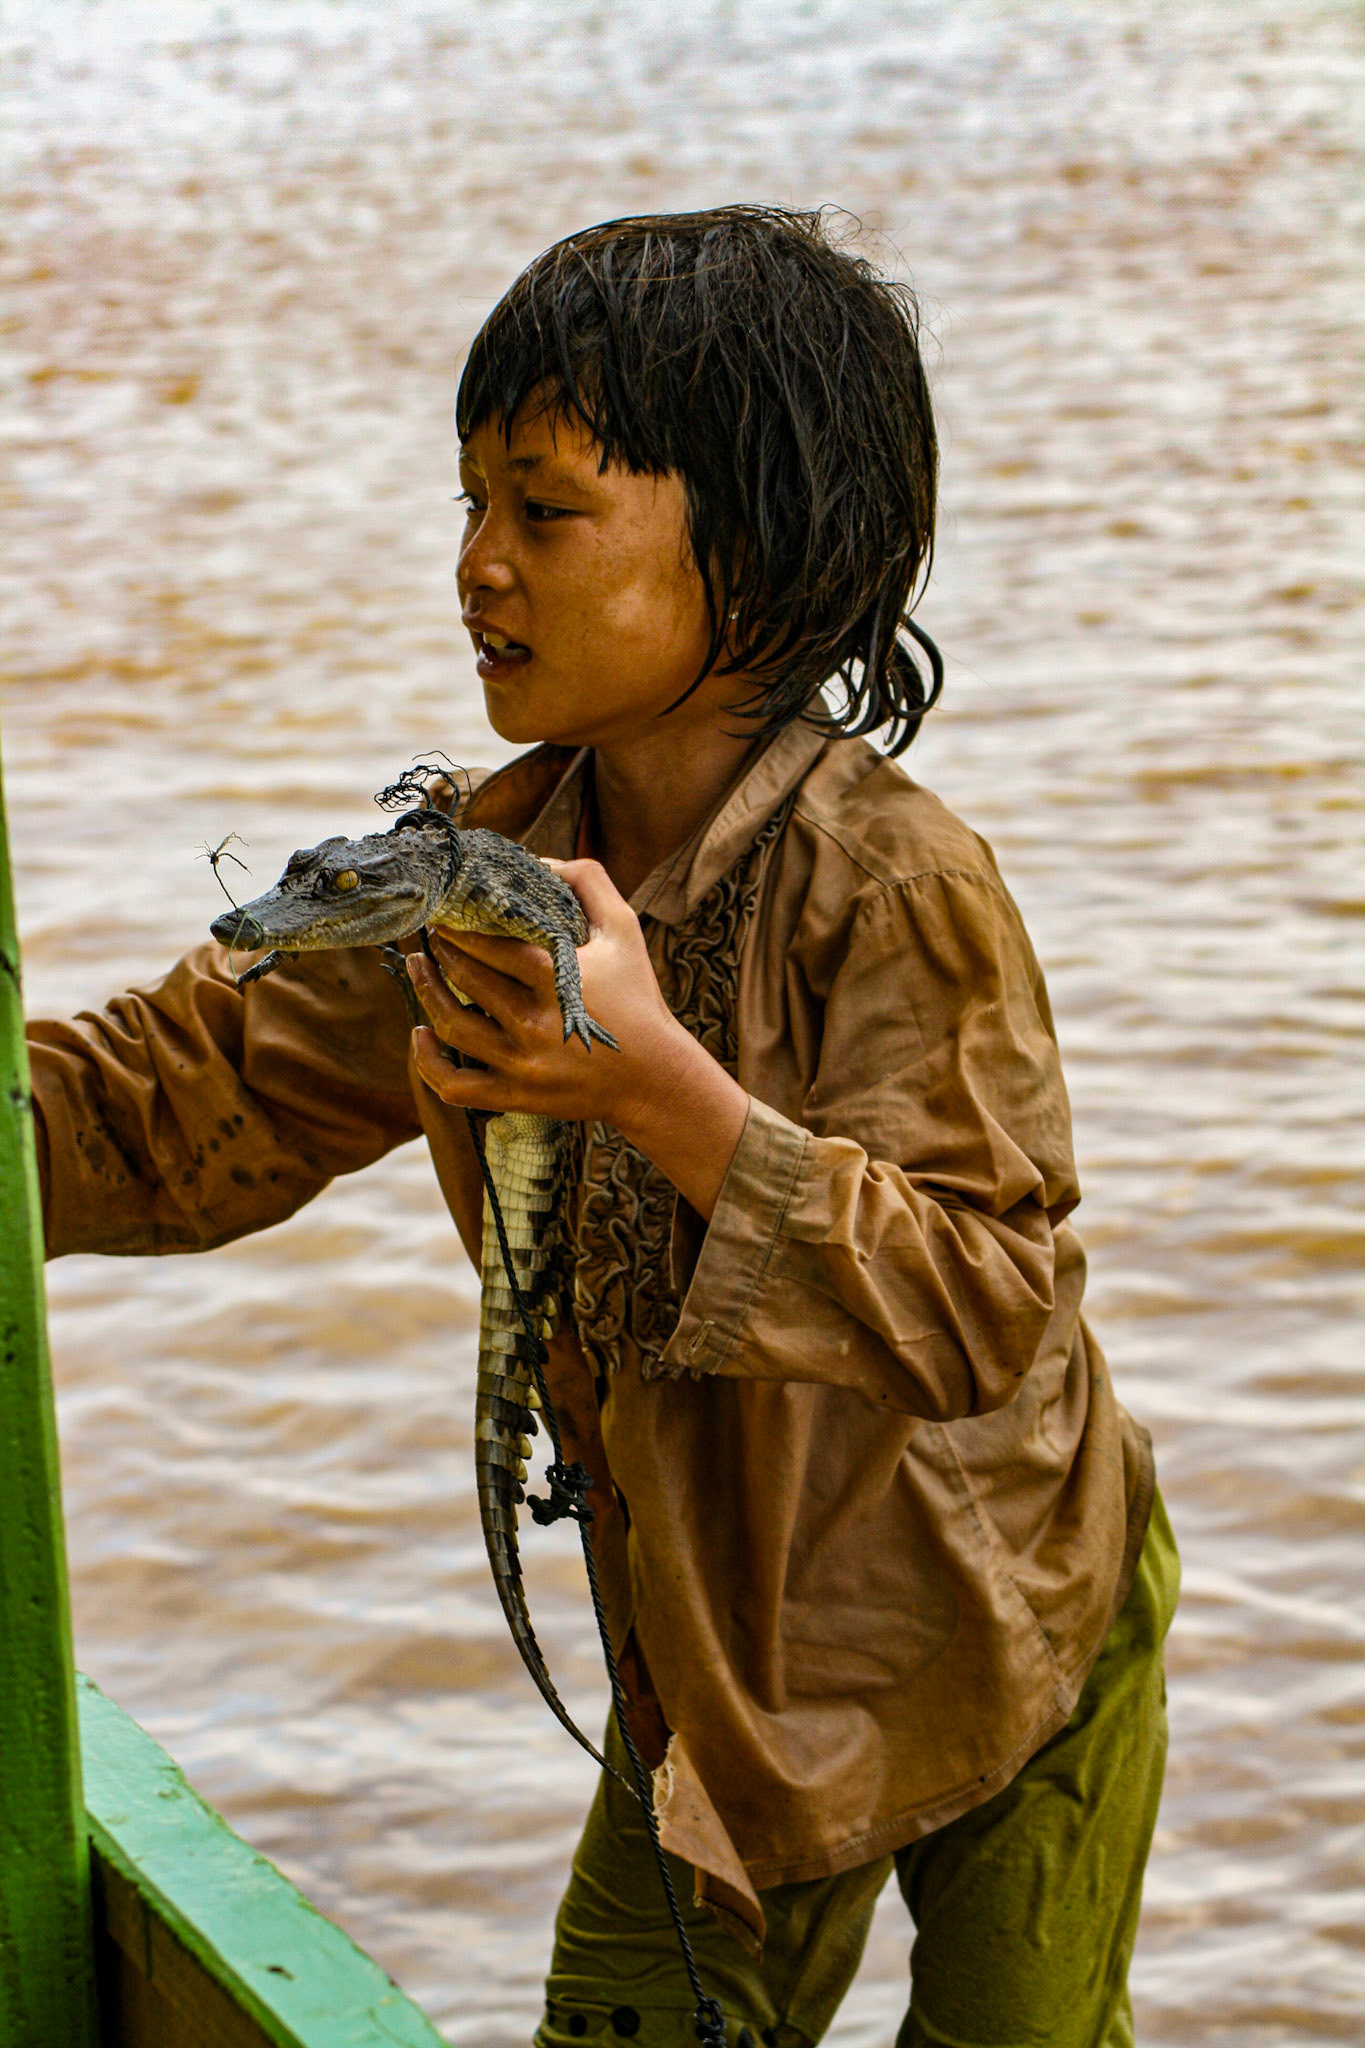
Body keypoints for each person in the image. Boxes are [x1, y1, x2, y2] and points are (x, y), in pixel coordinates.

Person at [28, 206, 1178, 2048]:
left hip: (1003, 1623)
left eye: (544, 511)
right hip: (717, 1677)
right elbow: (180, 1108)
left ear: (762, 550)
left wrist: (662, 1092)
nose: (476, 566)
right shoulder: (473, 887)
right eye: (466, 504)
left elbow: (984, 1307)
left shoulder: (891, 884)